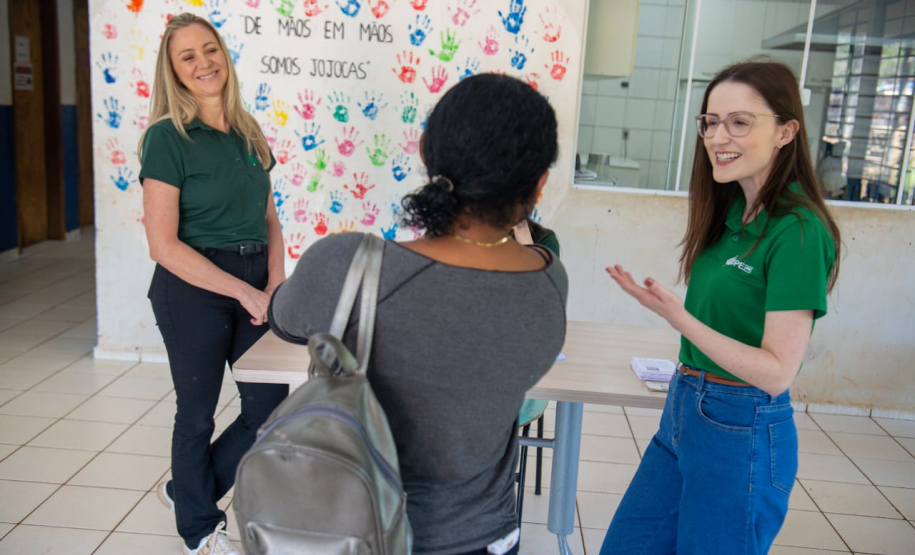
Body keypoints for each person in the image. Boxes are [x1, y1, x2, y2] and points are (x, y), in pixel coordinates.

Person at [268, 74, 568, 555]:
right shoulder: (550, 282)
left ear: (426, 153)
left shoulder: (349, 264)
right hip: (488, 536)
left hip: (356, 528)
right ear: (539, 184)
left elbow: (283, 318)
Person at [599, 59, 841, 555]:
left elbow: (776, 372)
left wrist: (680, 318)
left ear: (785, 132)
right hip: (685, 409)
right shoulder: (730, 211)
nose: (717, 136)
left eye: (739, 122)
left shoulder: (798, 231)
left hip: (741, 429)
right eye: (710, 122)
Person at [138, 13, 289, 555]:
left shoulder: (249, 130)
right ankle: (199, 531)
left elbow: (269, 219)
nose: (203, 63)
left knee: (269, 409)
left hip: (255, 279)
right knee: (197, 412)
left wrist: (274, 283)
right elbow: (163, 244)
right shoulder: (166, 137)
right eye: (188, 56)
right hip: (192, 286)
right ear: (173, 71)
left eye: (210, 50)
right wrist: (242, 290)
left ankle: (186, 490)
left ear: (224, 55)